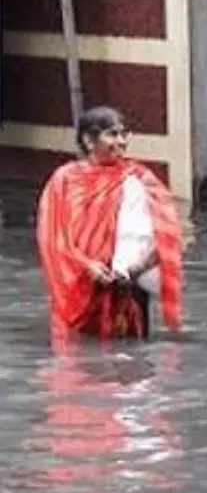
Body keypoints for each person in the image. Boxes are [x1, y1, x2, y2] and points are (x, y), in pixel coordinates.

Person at [36, 105, 184, 342]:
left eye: (125, 134)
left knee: (132, 364)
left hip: (127, 284)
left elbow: (168, 234)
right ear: (89, 140)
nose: (122, 141)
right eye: (113, 134)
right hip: (81, 285)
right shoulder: (63, 180)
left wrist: (135, 268)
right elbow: (52, 237)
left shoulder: (140, 178)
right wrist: (87, 266)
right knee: (82, 363)